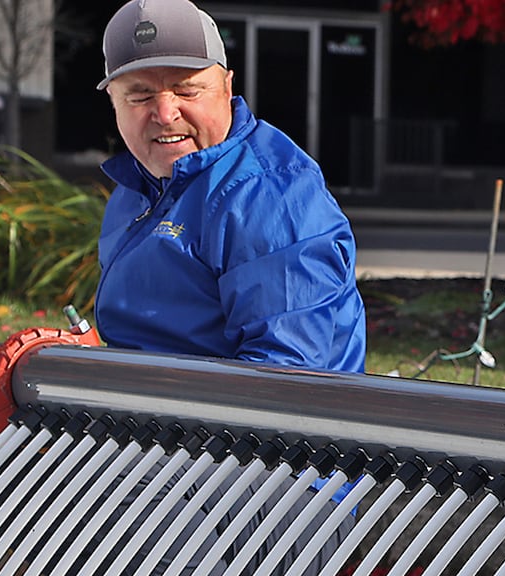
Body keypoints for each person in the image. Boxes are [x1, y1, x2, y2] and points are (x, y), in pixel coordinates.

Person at [94, 0, 366, 372]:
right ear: (113, 102)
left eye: (187, 91)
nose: (165, 114)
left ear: (226, 87)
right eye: (140, 96)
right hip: (154, 416)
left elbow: (284, 376)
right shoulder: (138, 184)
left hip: (244, 425)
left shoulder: (269, 196)